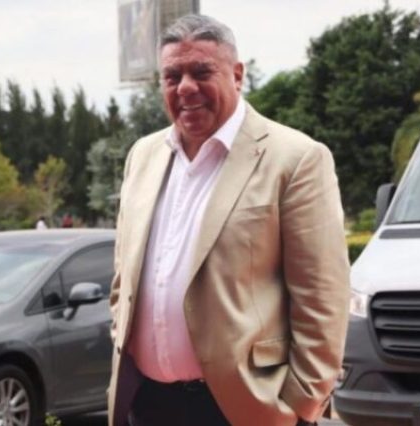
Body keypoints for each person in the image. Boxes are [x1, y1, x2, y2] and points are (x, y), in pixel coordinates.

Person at [108, 14, 350, 426]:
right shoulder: (142, 156)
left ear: (237, 75)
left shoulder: (295, 159)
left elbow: (322, 297)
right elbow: (123, 278)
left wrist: (301, 406)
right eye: (172, 76)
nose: (185, 87)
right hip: (147, 403)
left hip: (246, 409)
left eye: (201, 72)